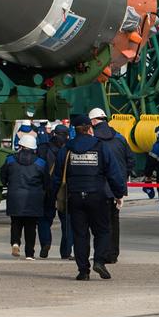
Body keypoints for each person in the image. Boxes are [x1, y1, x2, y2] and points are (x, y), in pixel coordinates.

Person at [54, 114, 126, 280]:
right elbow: (113, 172)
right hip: (97, 195)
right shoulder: (100, 147)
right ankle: (99, 261)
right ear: (89, 128)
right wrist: (119, 193)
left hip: (75, 197)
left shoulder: (67, 149)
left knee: (80, 234)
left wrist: (53, 196)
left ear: (74, 129)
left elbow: (57, 176)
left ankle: (83, 271)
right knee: (103, 231)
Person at [89, 107, 132, 264]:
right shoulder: (120, 138)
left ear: (93, 121)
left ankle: (102, 253)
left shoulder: (93, 140)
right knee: (114, 221)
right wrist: (122, 178)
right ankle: (113, 254)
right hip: (117, 188)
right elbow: (130, 160)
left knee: (100, 223)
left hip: (98, 188)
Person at [2, 132, 49, 259]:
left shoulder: (10, 160)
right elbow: (46, 182)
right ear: (34, 148)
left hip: (15, 196)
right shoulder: (41, 163)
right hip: (34, 198)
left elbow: (3, 177)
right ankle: (29, 253)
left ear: (20, 146)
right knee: (31, 226)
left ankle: (15, 243)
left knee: (15, 222)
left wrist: (9, 184)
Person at [36, 123, 68, 258]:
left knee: (44, 219)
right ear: (66, 136)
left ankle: (45, 243)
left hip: (47, 187)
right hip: (64, 189)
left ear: (54, 133)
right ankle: (66, 252)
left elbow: (38, 167)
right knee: (67, 221)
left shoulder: (43, 148)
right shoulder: (68, 149)